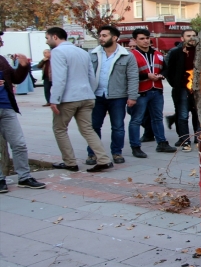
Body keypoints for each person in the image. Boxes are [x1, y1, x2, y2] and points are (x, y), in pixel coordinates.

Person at [46, 27, 114, 173]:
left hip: (68, 98)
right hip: (86, 96)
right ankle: (103, 159)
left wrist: (54, 100)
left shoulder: (57, 52)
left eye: (47, 38)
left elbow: (60, 78)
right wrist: (91, 92)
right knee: (88, 129)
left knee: (59, 129)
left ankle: (70, 162)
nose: (47, 41)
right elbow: (92, 76)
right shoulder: (82, 52)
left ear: (55, 37)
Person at [85, 26, 139, 165]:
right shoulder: (93, 54)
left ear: (114, 38)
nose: (101, 38)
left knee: (118, 127)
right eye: (100, 35)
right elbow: (86, 74)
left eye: (104, 35)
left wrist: (132, 96)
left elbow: (133, 77)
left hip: (117, 97)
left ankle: (117, 152)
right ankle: (93, 154)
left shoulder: (127, 55)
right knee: (94, 126)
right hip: (97, 96)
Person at [0, 32, 46, 192]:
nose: (1, 41)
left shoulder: (2, 60)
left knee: (18, 143)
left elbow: (15, 79)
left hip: (7, 107)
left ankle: (24, 177)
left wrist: (23, 66)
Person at [128, 29, 177, 158]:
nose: (145, 41)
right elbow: (129, 75)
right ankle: (135, 146)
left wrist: (162, 75)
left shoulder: (158, 54)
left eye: (147, 38)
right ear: (135, 40)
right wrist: (147, 75)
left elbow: (166, 69)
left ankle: (162, 143)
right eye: (142, 39)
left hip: (157, 90)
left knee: (157, 118)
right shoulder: (131, 55)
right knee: (136, 120)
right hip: (140, 92)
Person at [166, 29, 201, 151]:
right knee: (182, 116)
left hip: (200, 89)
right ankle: (184, 140)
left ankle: (198, 138)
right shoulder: (176, 53)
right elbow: (169, 71)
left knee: (199, 116)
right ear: (182, 38)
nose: (192, 38)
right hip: (182, 89)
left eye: (194, 35)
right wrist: (176, 85)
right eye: (188, 36)